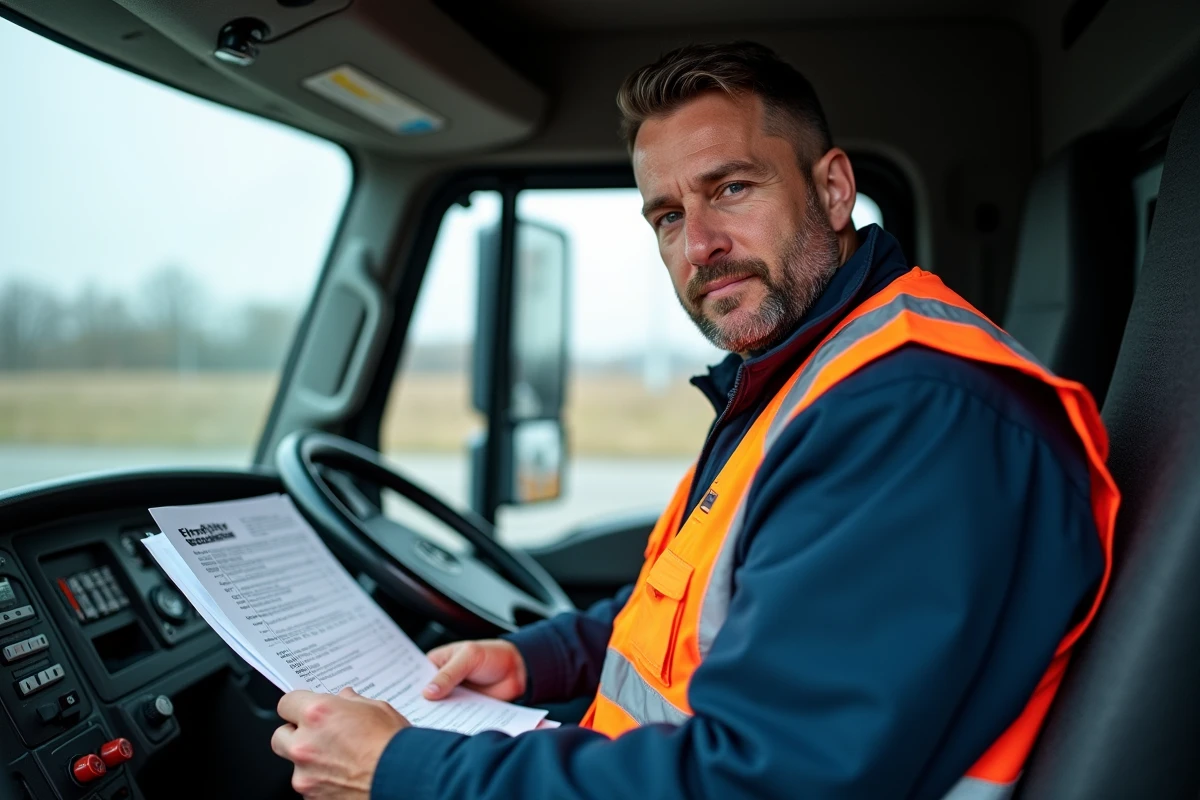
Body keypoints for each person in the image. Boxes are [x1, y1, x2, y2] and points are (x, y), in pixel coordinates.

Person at [270, 41, 1118, 800]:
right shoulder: (807, 374)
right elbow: (710, 617)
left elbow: (762, 780)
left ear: (831, 190)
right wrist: (541, 657)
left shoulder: (912, 414)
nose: (699, 242)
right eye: (668, 216)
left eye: (733, 188)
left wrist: (401, 771)